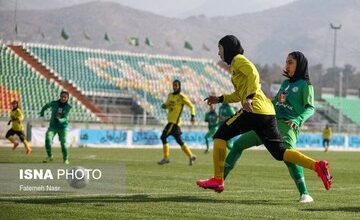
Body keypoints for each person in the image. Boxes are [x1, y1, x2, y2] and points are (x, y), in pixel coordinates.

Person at [196, 35, 332, 193]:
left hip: (256, 110)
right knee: (280, 153)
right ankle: (317, 166)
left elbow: (254, 74)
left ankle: (218, 179)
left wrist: (249, 98)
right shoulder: (238, 67)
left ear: (227, 48)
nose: (218, 53)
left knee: (220, 135)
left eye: (219, 49)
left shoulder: (238, 60)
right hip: (267, 112)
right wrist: (220, 99)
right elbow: (239, 93)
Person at [224, 51, 315, 203]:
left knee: (288, 158)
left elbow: (310, 108)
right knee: (239, 144)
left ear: (300, 65)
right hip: (269, 123)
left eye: (291, 62)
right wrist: (259, 106)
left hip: (287, 125)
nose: (287, 65)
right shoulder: (285, 84)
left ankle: (305, 194)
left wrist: (298, 120)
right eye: (286, 62)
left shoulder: (305, 85)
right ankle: (220, 180)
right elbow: (276, 104)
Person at [158, 79, 197, 165]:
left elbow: (192, 106)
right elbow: (168, 105)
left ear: (179, 86)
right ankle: (191, 156)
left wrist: (192, 115)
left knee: (163, 137)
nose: (175, 87)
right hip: (171, 122)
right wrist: (164, 106)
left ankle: (166, 158)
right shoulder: (170, 95)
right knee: (179, 141)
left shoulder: (182, 97)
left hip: (174, 122)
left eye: (176, 85)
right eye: (174, 85)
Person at [40, 91, 72, 164]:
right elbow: (46, 106)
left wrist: (59, 119)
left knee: (63, 143)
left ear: (67, 98)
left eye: (65, 97)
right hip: (53, 126)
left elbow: (65, 119)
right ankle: (50, 156)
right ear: (60, 96)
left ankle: (65, 159)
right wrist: (42, 112)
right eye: (62, 96)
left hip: (63, 127)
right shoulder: (54, 103)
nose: (63, 98)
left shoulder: (68, 107)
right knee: (48, 139)